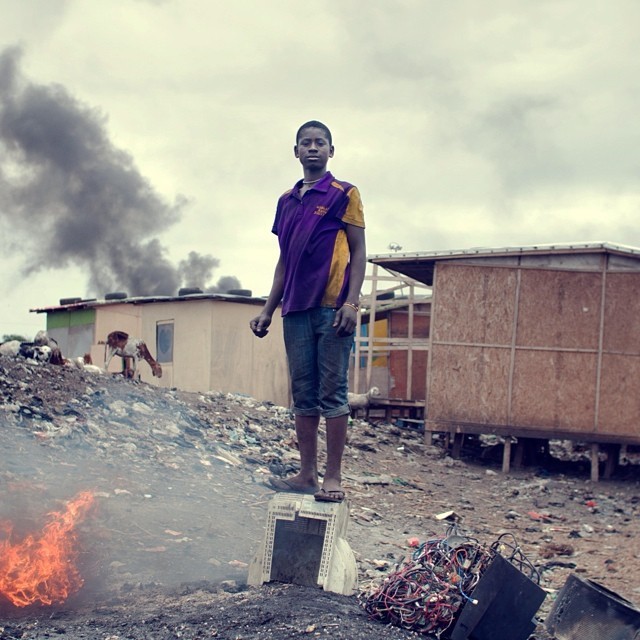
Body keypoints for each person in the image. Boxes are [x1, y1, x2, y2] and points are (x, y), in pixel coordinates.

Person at [250, 120, 366, 503]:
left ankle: (332, 478)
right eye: (306, 143)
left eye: (320, 143)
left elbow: (359, 251)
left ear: (331, 151)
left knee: (333, 392)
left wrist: (352, 302)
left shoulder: (344, 193)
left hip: (332, 308)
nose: (313, 148)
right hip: (295, 309)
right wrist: (268, 310)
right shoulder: (286, 201)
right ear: (296, 151)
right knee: (303, 394)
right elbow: (284, 260)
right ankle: (306, 475)